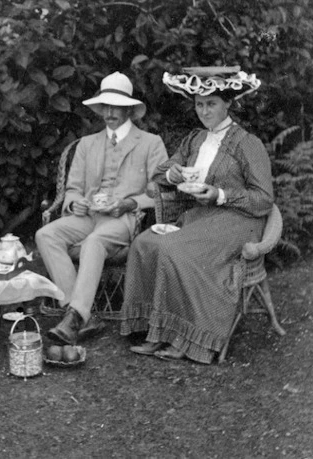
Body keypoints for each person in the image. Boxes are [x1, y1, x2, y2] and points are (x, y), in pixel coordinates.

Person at [120, 66, 272, 364]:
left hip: (240, 221)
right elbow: (161, 173)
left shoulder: (247, 143)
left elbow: (264, 200)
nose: (204, 111)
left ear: (228, 103)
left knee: (175, 249)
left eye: (211, 103)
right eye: (199, 104)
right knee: (145, 243)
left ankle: (185, 338)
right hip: (201, 217)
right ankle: (155, 330)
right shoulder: (194, 140)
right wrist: (174, 173)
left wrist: (220, 194)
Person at [35, 72, 168, 345]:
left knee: (93, 243)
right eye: (105, 106)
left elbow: (161, 192)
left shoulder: (150, 143)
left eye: (116, 106)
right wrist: (76, 202)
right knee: (45, 235)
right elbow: (72, 189)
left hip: (124, 218)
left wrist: (130, 203)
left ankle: (74, 318)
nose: (109, 112)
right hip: (88, 215)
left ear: (129, 109)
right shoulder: (87, 144)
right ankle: (82, 314)